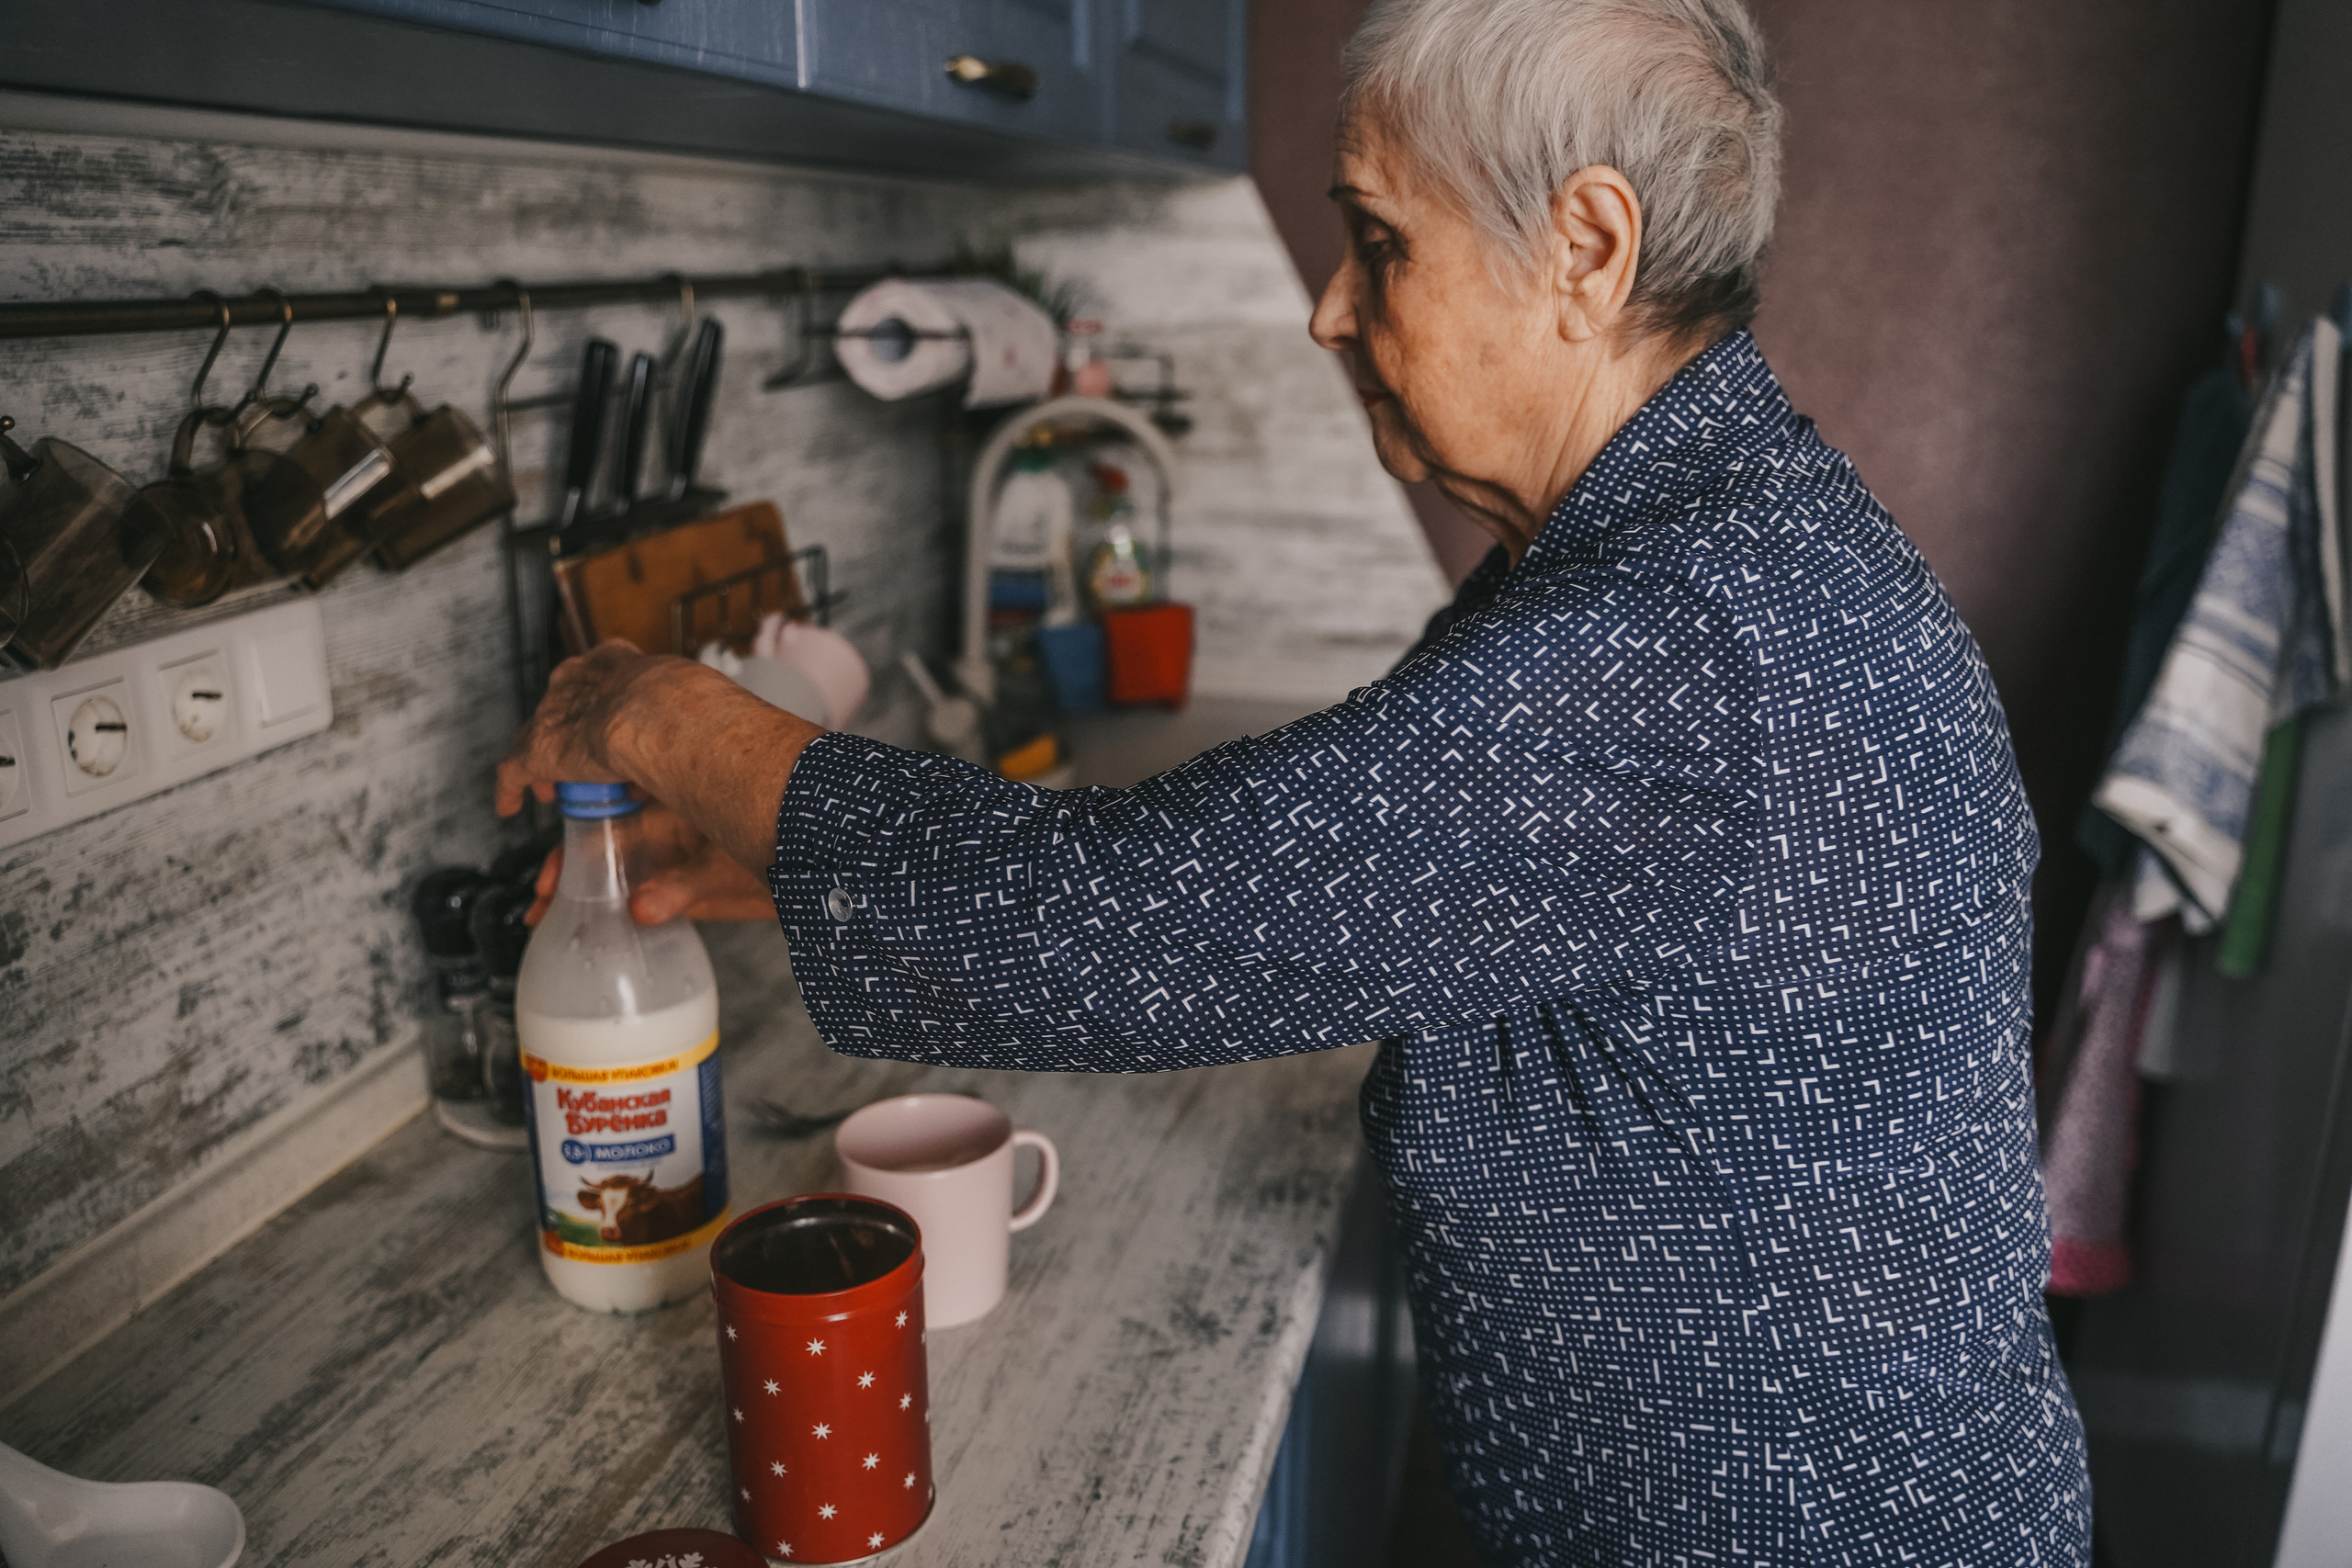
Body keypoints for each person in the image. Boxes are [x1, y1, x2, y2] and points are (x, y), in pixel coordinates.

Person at [498, 0, 2092, 1561]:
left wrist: (653, 708)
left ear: (1587, 253)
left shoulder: (1668, 636)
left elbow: (1114, 927)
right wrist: (797, 868)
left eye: (1383, 244)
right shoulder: (1700, 534)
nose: (1334, 310)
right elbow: (1343, 866)